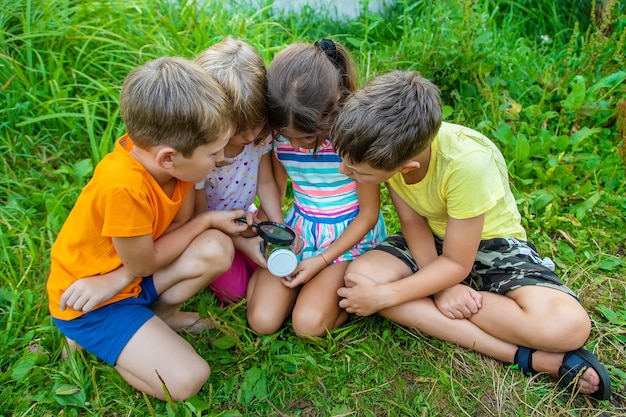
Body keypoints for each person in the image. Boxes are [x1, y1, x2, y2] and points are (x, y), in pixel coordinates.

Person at [331, 70, 612, 400]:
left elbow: (457, 261)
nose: (343, 172)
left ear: (405, 166)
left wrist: (392, 296)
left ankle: (522, 347)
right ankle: (529, 358)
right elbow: (413, 222)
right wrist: (440, 287)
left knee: (568, 327)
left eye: (357, 172)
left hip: (491, 243)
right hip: (434, 241)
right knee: (361, 280)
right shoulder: (386, 150)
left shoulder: (467, 163)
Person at [46, 56, 250, 401]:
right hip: (94, 302)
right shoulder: (123, 186)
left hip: (131, 279)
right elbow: (143, 263)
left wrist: (204, 222)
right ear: (168, 157)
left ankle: (157, 320)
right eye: (214, 152)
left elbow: (182, 225)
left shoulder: (177, 168)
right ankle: (100, 341)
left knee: (216, 247)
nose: (221, 159)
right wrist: (206, 219)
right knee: (189, 379)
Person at [245, 39, 387, 338]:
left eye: (306, 139)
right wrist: (278, 229)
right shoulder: (280, 132)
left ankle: (322, 289)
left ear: (332, 111)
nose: (293, 145)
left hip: (349, 239)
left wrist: (322, 261)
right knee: (262, 321)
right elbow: (279, 183)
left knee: (307, 325)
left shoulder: (351, 138)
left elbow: (368, 215)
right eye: (286, 136)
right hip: (302, 228)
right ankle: (310, 289)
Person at [193, 37, 283, 305]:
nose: (250, 135)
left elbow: (265, 182)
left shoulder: (258, 140)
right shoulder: (202, 154)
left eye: (257, 123)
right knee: (236, 293)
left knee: (272, 267)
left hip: (247, 221)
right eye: (238, 127)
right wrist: (241, 243)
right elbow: (197, 217)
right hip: (210, 233)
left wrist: (278, 226)